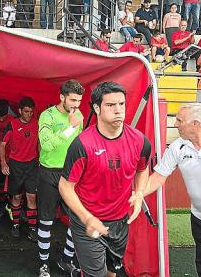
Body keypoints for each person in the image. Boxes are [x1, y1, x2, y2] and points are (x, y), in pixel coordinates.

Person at [58, 81, 151, 277]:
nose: (118, 110)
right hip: (88, 221)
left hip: (120, 221)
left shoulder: (140, 141)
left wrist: (140, 192)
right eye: (110, 105)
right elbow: (65, 186)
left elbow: (142, 170)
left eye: (122, 104)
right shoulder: (82, 144)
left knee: (112, 272)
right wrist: (87, 218)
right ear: (97, 108)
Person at [144, 103, 201, 277]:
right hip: (200, 218)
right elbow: (159, 176)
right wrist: (137, 194)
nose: (175, 124)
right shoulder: (178, 147)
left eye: (180, 120)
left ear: (195, 124)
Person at [37, 79, 84, 277]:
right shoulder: (47, 115)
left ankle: (66, 259)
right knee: (46, 221)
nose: (76, 105)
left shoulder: (79, 115)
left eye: (79, 101)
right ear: (62, 97)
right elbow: (46, 145)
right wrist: (70, 128)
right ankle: (43, 264)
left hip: (70, 174)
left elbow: (79, 145)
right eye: (72, 100)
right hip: (49, 173)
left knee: (77, 221)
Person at [0, 97, 39, 241]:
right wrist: (4, 163)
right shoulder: (12, 125)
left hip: (32, 165)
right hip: (16, 165)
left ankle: (33, 228)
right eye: (26, 111)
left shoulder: (37, 123)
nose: (29, 114)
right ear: (20, 110)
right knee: (16, 197)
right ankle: (15, 224)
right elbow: (2, 144)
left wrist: (40, 159)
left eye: (31, 112)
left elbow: (40, 142)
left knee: (31, 197)